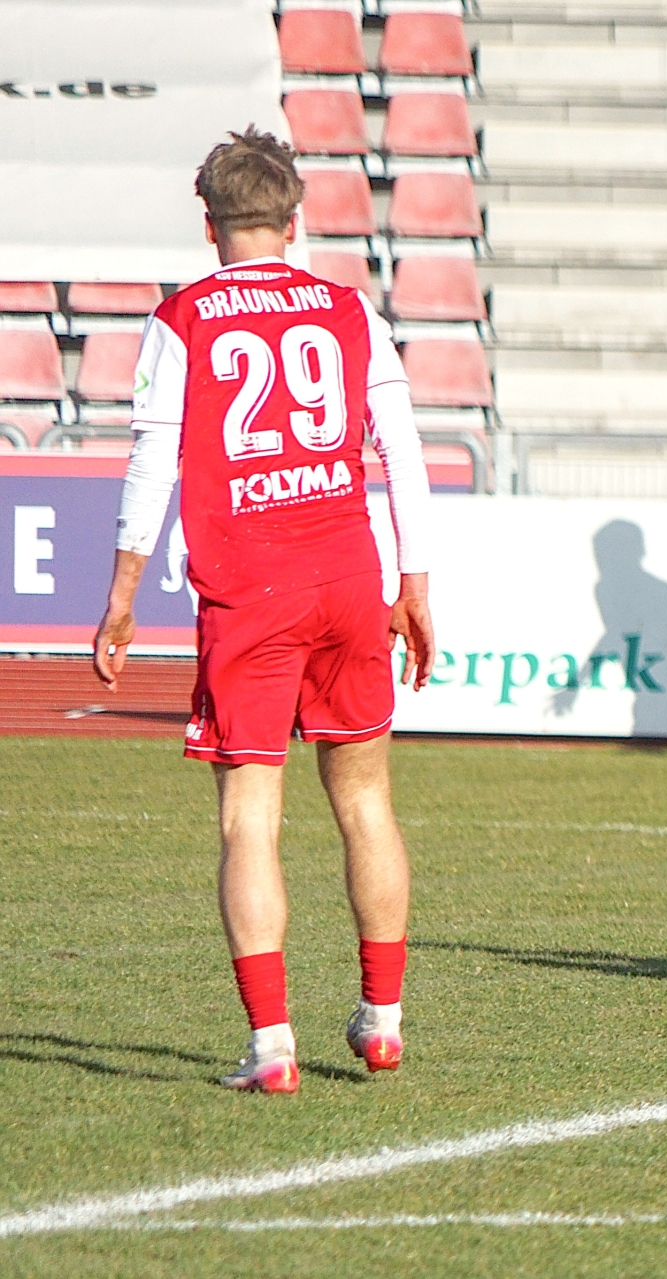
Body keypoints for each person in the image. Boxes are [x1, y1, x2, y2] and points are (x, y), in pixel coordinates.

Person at [90, 129, 436, 1092]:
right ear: (295, 220)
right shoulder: (346, 308)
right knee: (366, 801)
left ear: (209, 224)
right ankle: (381, 1021)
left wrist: (121, 597)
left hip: (250, 589)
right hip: (344, 574)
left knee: (251, 817)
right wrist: (414, 581)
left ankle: (274, 1046)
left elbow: (153, 462)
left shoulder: (184, 318)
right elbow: (400, 451)